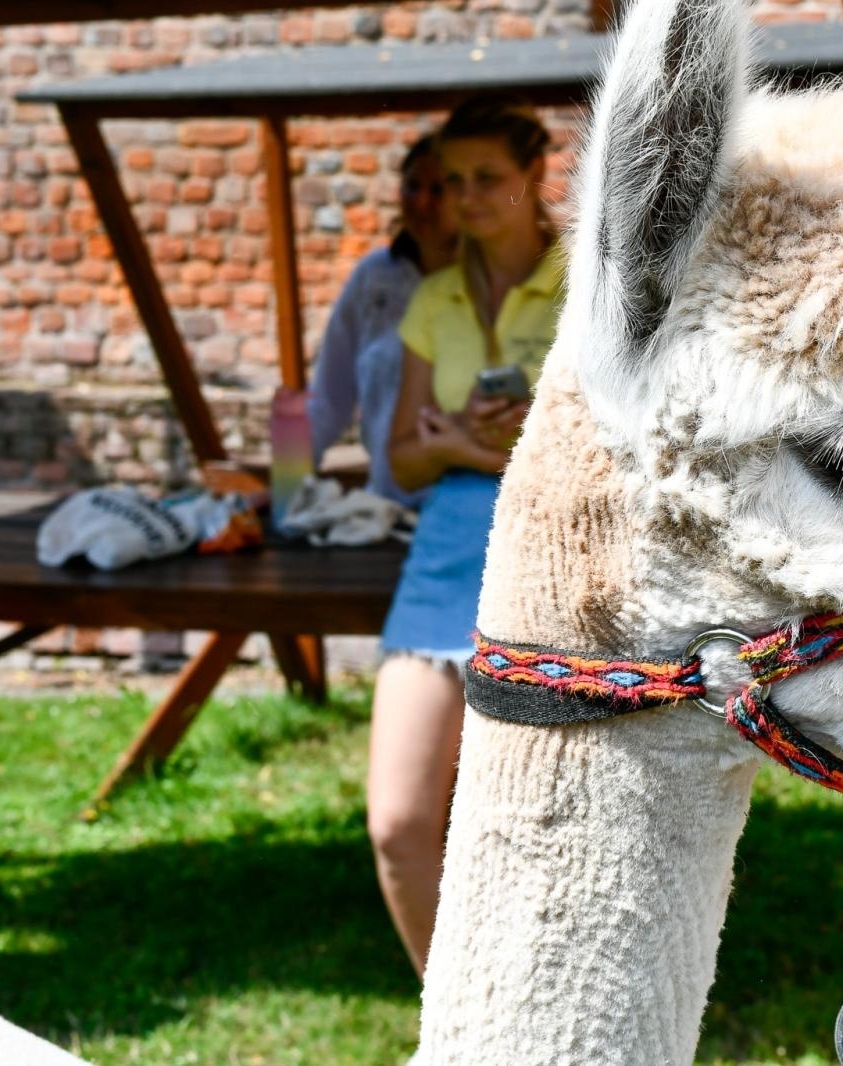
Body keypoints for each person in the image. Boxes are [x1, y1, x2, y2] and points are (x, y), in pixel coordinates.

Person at [366, 96, 563, 976]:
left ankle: (540, 1005)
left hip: (558, 548)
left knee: (540, 822)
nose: (468, 197)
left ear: (534, 177)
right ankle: (454, 1012)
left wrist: (517, 435)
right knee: (400, 822)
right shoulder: (434, 298)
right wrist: (456, 442)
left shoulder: (586, 282)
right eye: (453, 183)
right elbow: (402, 460)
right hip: (446, 549)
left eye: (488, 178)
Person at [306, 133, 457, 505]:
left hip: (470, 512)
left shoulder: (492, 283)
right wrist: (285, 484)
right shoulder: (374, 277)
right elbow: (329, 397)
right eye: (412, 186)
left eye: (438, 189)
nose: (422, 202)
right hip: (387, 505)